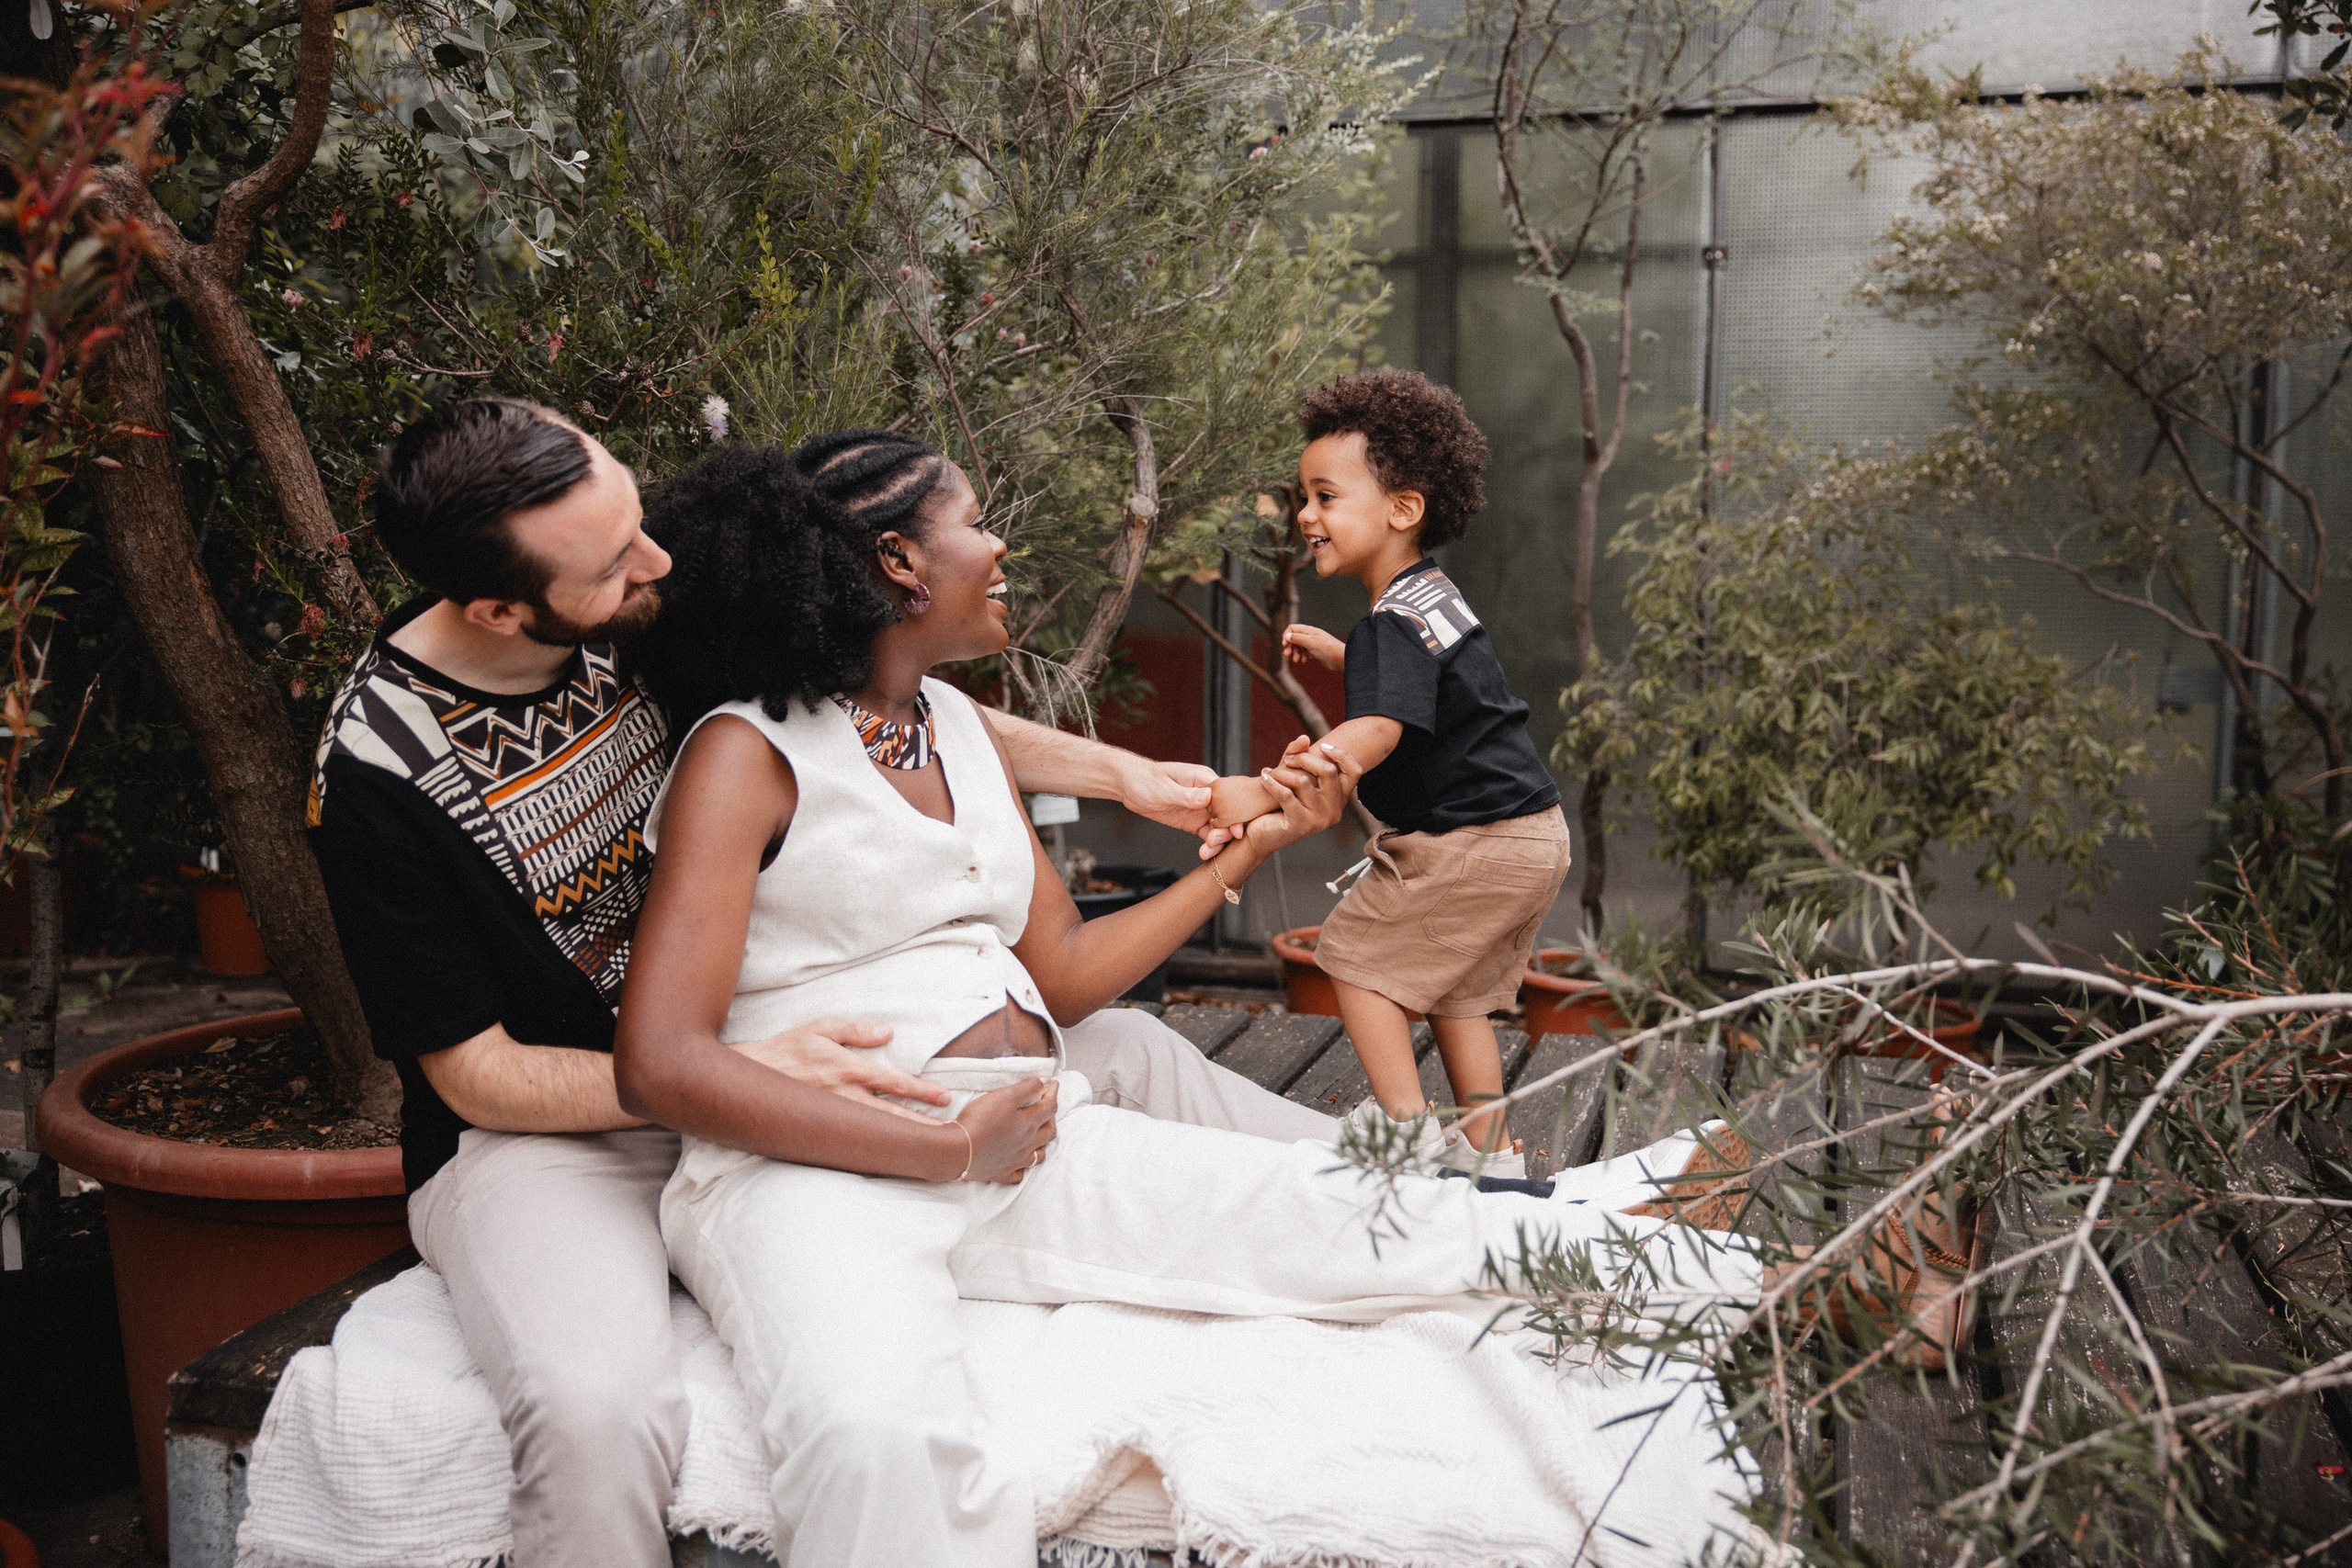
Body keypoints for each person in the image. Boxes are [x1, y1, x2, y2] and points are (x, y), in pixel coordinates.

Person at [613, 430, 1893, 1568]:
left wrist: (1242, 854)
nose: (999, 544)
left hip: (1025, 1133)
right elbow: (662, 1058)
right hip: (812, 1172)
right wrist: (941, 1141)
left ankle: (1815, 1278)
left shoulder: (949, 722)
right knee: (876, 1434)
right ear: (899, 562)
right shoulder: (749, 751)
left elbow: (1061, 975)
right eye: (974, 519)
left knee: (1353, 1221)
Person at [309, 397, 1343, 1568]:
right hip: (557, 1134)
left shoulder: (624, 609)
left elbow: (880, 703)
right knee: (597, 1414)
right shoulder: (379, 771)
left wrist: (1136, 779)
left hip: (759, 1052)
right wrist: (725, 1074)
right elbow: (478, 1075)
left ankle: (1452, 1197)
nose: (658, 562)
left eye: (640, 521)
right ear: (498, 607)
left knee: (1140, 1056)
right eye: (617, 559)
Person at [1212, 369, 1566, 1179]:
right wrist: (1347, 655)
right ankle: (1493, 1156)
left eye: (1326, 497)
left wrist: (1273, 789)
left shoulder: (1390, 627)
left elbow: (1383, 724)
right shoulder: (1429, 599)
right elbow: (1439, 680)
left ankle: (1403, 1135)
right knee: (1459, 994)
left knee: (1352, 959)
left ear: (1402, 509)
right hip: (1530, 834)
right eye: (1304, 496)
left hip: (1472, 840)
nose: (1306, 515)